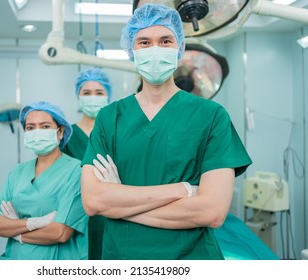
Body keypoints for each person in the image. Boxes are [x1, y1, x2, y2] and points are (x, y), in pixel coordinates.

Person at [81, 3, 252, 260]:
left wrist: (119, 203)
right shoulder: (109, 118)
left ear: (179, 47)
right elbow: (94, 201)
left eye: (165, 40)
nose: (155, 49)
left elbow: (212, 212)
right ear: (131, 49)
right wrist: (182, 189)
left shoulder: (212, 116)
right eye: (144, 42)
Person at [0, 101, 89, 260]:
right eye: (30, 128)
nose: (37, 132)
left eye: (45, 126)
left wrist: (16, 233)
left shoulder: (76, 171)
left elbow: (60, 232)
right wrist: (32, 223)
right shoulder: (17, 172)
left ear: (60, 132)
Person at [62, 67, 112, 260]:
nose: (93, 97)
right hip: (77, 215)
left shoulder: (115, 133)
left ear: (108, 95)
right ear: (78, 96)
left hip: (112, 213)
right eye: (86, 92)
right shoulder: (68, 137)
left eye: (99, 92)